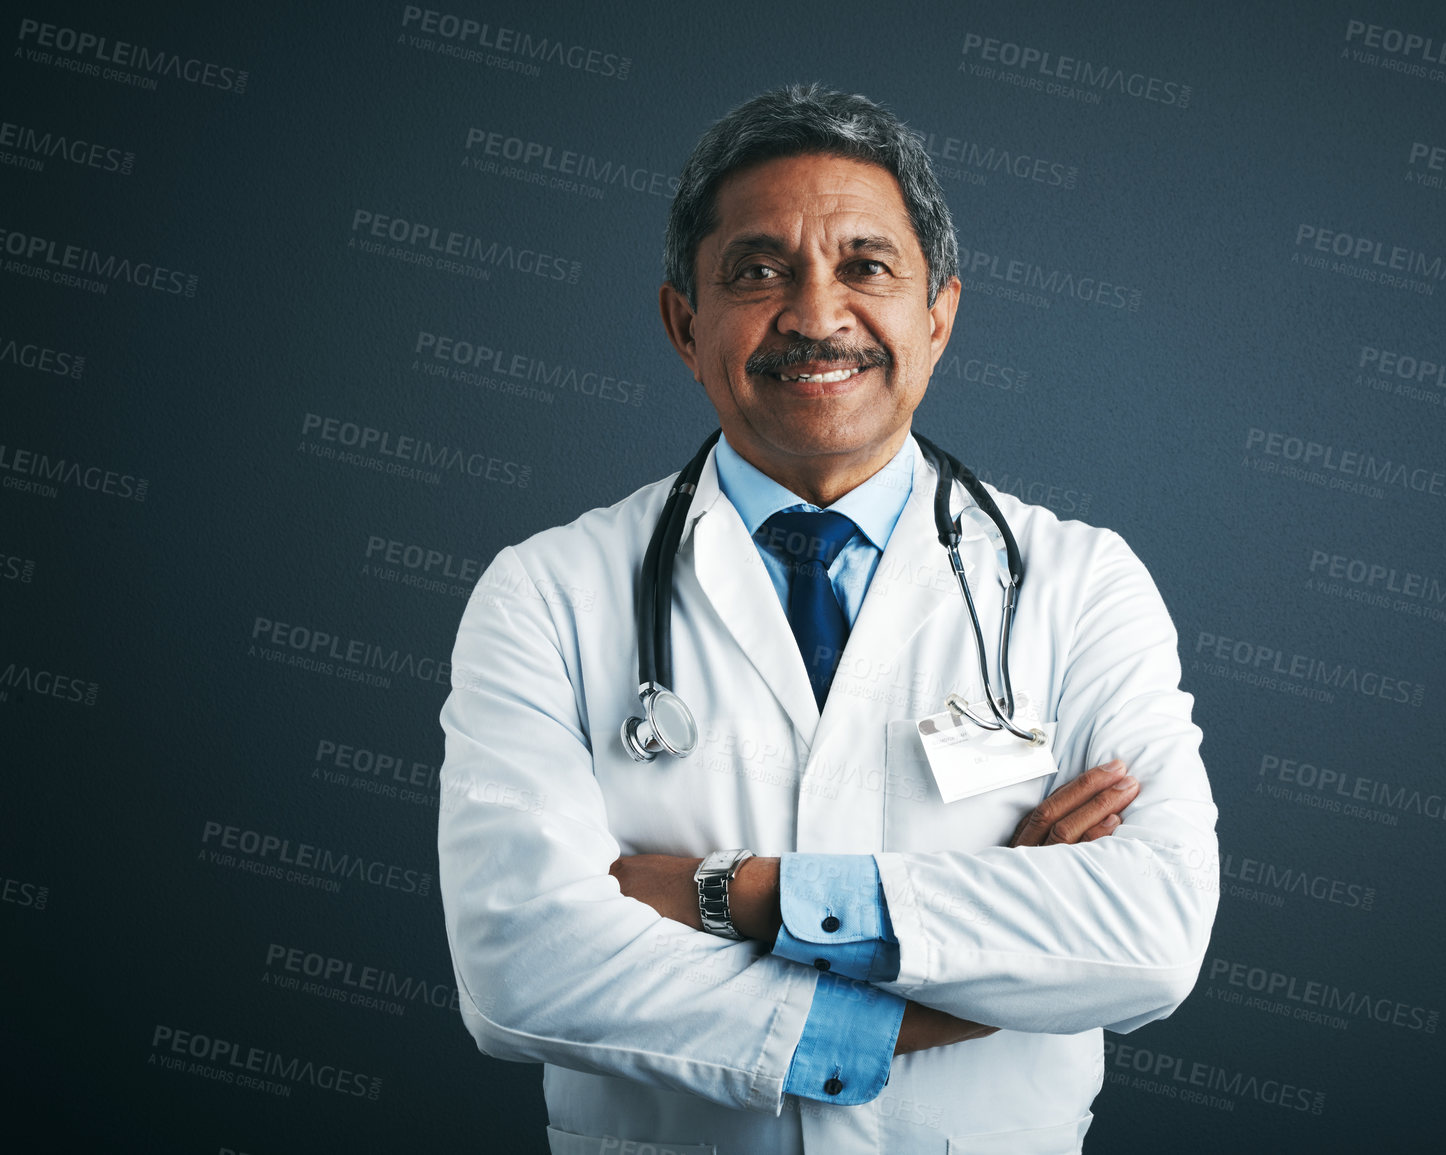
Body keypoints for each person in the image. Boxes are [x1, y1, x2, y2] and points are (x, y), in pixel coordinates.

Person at [438, 83, 1219, 1155]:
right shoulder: (547, 595)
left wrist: (736, 895)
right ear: (683, 322)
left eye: (867, 266)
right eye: (758, 272)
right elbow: (521, 965)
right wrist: (967, 980)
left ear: (937, 316)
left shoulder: (1082, 586)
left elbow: (1148, 937)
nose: (815, 314)